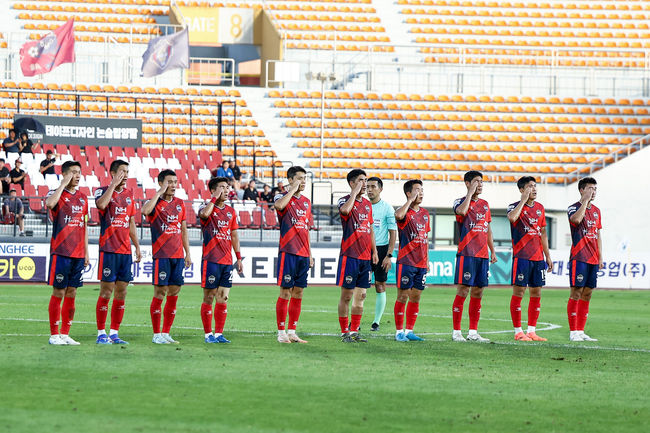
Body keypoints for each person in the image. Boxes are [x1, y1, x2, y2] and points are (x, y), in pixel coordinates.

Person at [93, 160, 142, 345]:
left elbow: (130, 222)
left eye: (127, 171)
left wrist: (136, 246)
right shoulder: (102, 191)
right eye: (122, 171)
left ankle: (114, 332)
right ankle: (100, 333)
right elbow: (101, 205)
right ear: (113, 173)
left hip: (125, 251)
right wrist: (113, 185)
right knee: (106, 292)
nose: (126, 175)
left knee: (122, 293)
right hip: (109, 249)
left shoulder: (130, 194)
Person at [141, 169, 192, 344]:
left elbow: (184, 230)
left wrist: (188, 253)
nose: (173, 185)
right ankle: (156, 334)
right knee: (160, 292)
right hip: (161, 255)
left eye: (175, 182)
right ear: (161, 183)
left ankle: (165, 332)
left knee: (174, 292)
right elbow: (145, 211)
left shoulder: (180, 203)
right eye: (169, 182)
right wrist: (159, 193)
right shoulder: (155, 203)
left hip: (177, 255)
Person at [45, 161, 89, 345]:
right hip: (61, 251)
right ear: (64, 174)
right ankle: (54, 334)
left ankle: (65, 333)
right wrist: (63, 184)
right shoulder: (56, 194)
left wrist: (86, 252)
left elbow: (85, 225)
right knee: (59, 291)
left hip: (78, 253)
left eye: (79, 172)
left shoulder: (83, 198)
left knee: (72, 292)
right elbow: (49, 204)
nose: (77, 175)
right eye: (73, 172)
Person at [451, 170, 497, 343]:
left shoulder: (485, 204)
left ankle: (473, 332)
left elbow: (488, 229)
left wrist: (492, 250)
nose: (481, 184)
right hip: (466, 253)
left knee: (478, 292)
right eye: (477, 181)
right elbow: (462, 212)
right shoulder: (459, 202)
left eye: (482, 182)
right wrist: (470, 194)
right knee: (463, 290)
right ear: (468, 183)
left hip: (482, 255)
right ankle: (456, 332)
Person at [507, 176, 553, 342]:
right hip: (522, 257)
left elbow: (543, 234)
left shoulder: (540, 208)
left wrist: (547, 256)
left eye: (535, 186)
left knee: (537, 292)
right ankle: (518, 331)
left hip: (538, 257)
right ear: (521, 190)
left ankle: (532, 331)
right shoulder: (514, 207)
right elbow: (512, 218)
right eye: (529, 186)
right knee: (519, 292)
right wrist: (523, 201)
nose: (534, 189)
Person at [198, 177, 243, 344]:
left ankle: (218, 334)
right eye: (221, 187)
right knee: (209, 297)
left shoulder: (231, 211)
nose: (226, 190)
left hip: (226, 261)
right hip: (211, 260)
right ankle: (207, 334)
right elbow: (203, 215)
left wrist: (238, 258)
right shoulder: (205, 207)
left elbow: (234, 235)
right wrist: (213, 198)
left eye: (227, 187)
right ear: (213, 190)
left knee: (223, 298)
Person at [337, 169, 378, 343]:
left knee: (361, 296)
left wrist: (374, 251)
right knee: (346, 296)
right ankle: (344, 331)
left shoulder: (367, 205)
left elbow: (369, 229)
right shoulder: (344, 200)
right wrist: (354, 193)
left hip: (365, 257)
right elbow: (345, 211)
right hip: (350, 255)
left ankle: (354, 331)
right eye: (361, 180)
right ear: (352, 183)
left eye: (366, 180)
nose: (364, 184)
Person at [274, 166, 313, 344]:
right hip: (288, 251)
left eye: (305, 178)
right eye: (299, 178)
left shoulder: (306, 202)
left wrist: (310, 254)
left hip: (303, 254)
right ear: (290, 180)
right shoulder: (281, 196)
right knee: (285, 292)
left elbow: (306, 229)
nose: (303, 181)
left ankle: (292, 331)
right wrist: (292, 190)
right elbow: (279, 206)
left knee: (298, 293)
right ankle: (281, 332)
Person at [393, 180, 430, 342]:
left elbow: (425, 238)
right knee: (402, 296)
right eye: (417, 190)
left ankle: (409, 331)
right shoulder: (405, 213)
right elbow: (398, 216)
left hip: (421, 262)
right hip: (406, 261)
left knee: (416, 297)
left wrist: (427, 260)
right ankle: (398, 332)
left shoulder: (425, 214)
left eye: (422, 190)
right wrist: (409, 201)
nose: (420, 193)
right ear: (408, 193)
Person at [567, 177, 603, 342]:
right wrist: (585, 201)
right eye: (590, 188)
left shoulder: (597, 211)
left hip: (593, 258)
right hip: (579, 257)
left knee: (587, 293)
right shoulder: (573, 208)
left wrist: (600, 256)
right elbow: (576, 220)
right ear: (582, 190)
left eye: (595, 189)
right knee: (576, 293)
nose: (593, 191)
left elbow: (598, 234)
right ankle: (573, 331)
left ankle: (581, 331)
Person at [366, 177, 396, 332]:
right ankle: (355, 320)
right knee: (360, 287)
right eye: (367, 187)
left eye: (373, 186)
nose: (369, 190)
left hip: (382, 249)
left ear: (380, 189)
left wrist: (389, 255)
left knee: (380, 285)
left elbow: (393, 233)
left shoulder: (387, 208)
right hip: (363, 249)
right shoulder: (362, 206)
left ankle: (376, 322)